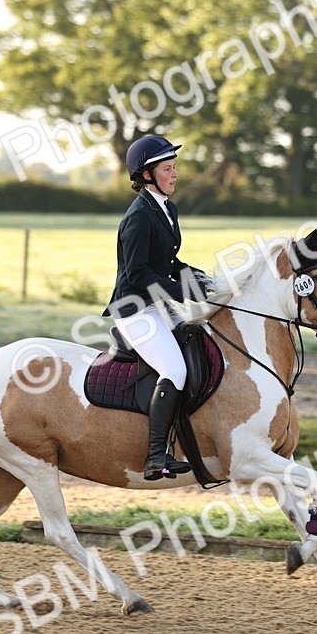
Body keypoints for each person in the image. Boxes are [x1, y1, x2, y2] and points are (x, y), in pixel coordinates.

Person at [103, 135, 210, 480]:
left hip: (158, 305)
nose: (175, 174)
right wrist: (182, 291)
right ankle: (154, 457)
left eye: (174, 167)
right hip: (134, 309)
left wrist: (206, 281)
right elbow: (137, 272)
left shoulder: (166, 208)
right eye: (168, 169)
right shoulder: (139, 217)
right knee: (175, 369)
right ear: (147, 176)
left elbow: (168, 260)